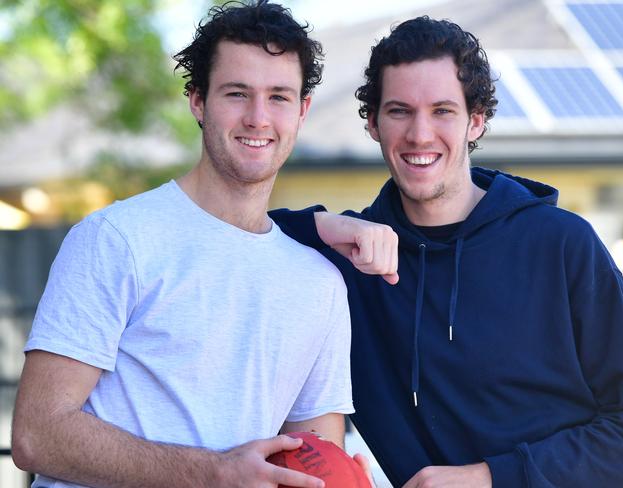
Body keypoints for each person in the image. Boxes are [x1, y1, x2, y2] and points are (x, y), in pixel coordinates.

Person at [270, 16, 623, 488]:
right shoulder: (352, 261)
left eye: (443, 111)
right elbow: (241, 231)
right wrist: (324, 224)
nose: (420, 135)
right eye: (399, 111)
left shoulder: (562, 244)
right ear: (372, 123)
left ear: (476, 120)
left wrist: (491, 477)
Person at [11, 2, 363, 487]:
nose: (259, 118)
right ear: (198, 101)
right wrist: (212, 472)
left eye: (279, 96)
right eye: (237, 93)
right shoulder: (116, 240)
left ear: (302, 110)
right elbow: (37, 434)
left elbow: (314, 460)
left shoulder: (319, 284)